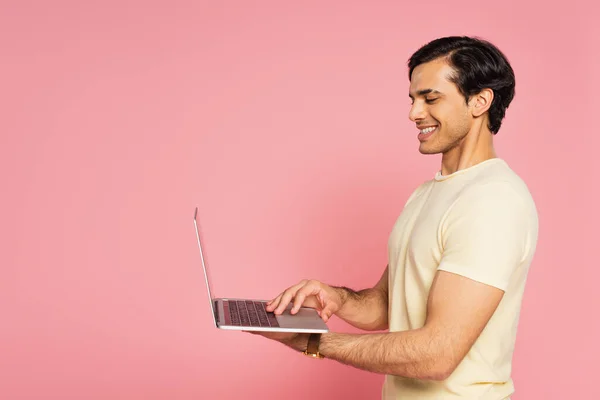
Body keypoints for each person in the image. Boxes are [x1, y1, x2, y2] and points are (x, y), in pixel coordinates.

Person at [248, 36, 539, 400]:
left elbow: (438, 355)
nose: (414, 113)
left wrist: (313, 342)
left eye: (431, 98)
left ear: (480, 101)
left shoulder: (493, 200)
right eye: (413, 99)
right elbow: (387, 305)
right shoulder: (428, 193)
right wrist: (334, 297)